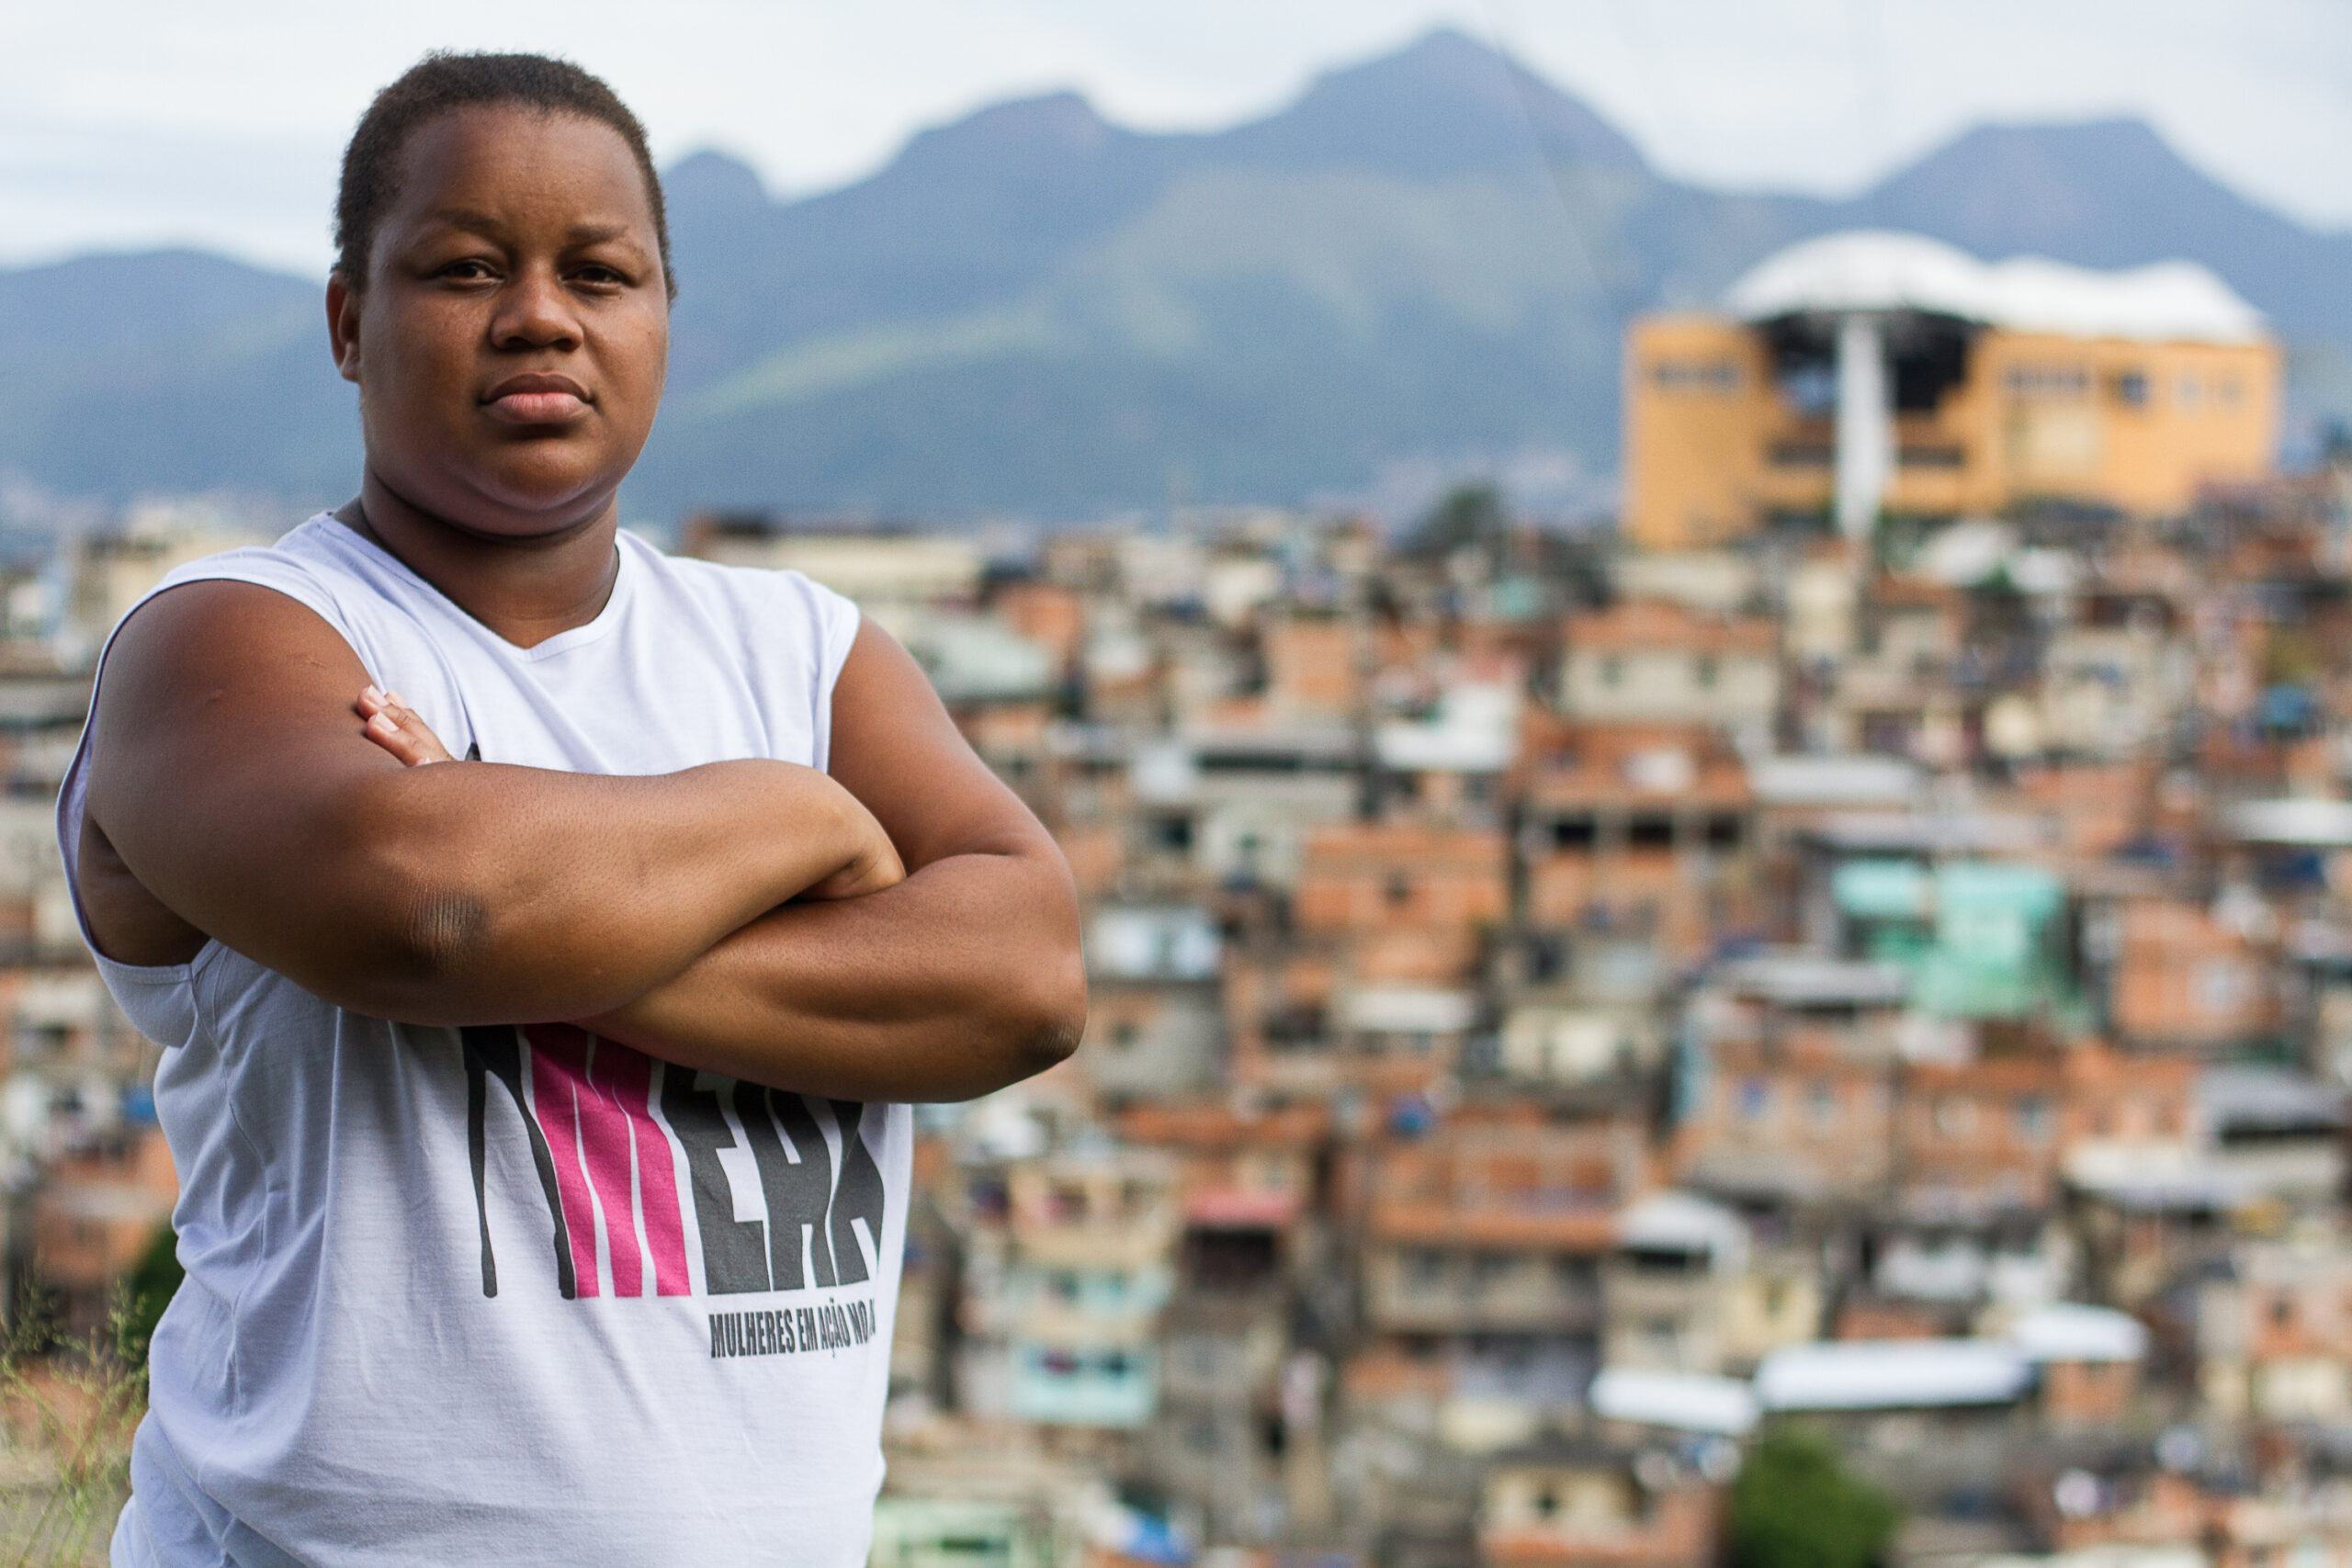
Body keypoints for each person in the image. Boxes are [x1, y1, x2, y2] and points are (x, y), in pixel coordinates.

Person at [61, 51, 1087, 1567]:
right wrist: (806, 822)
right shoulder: (232, 639)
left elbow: (1025, 981)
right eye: (466, 266)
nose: (539, 313)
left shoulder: (802, 650)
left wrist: (542, 899)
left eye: (600, 272)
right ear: (351, 323)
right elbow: (431, 910)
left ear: (664, 320)